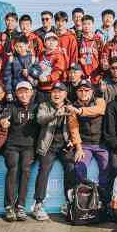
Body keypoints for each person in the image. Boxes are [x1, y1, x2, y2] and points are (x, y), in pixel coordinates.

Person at [32, 83, 76, 221]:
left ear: (65, 94)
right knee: (44, 170)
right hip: (48, 145)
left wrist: (72, 140)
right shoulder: (44, 105)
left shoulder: (70, 106)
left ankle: (69, 203)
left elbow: (74, 125)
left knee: (71, 167)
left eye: (60, 92)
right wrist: (55, 114)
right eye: (54, 92)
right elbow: (40, 119)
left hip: (64, 145)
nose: (57, 94)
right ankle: (38, 204)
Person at [67, 80, 110, 198]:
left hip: (101, 144)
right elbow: (74, 128)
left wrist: (80, 111)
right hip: (84, 145)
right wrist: (78, 147)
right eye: (80, 90)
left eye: (86, 90)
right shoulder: (73, 106)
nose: (83, 93)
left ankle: (103, 196)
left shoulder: (99, 101)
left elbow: (99, 110)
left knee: (106, 167)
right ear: (77, 92)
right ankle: (84, 196)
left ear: (92, 91)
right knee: (79, 167)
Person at [77, 15, 104, 83]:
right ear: (81, 25)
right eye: (84, 24)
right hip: (82, 74)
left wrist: (101, 73)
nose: (86, 26)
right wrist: (79, 59)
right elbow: (75, 55)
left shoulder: (98, 39)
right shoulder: (78, 39)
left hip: (95, 73)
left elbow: (102, 56)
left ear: (93, 25)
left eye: (89, 24)